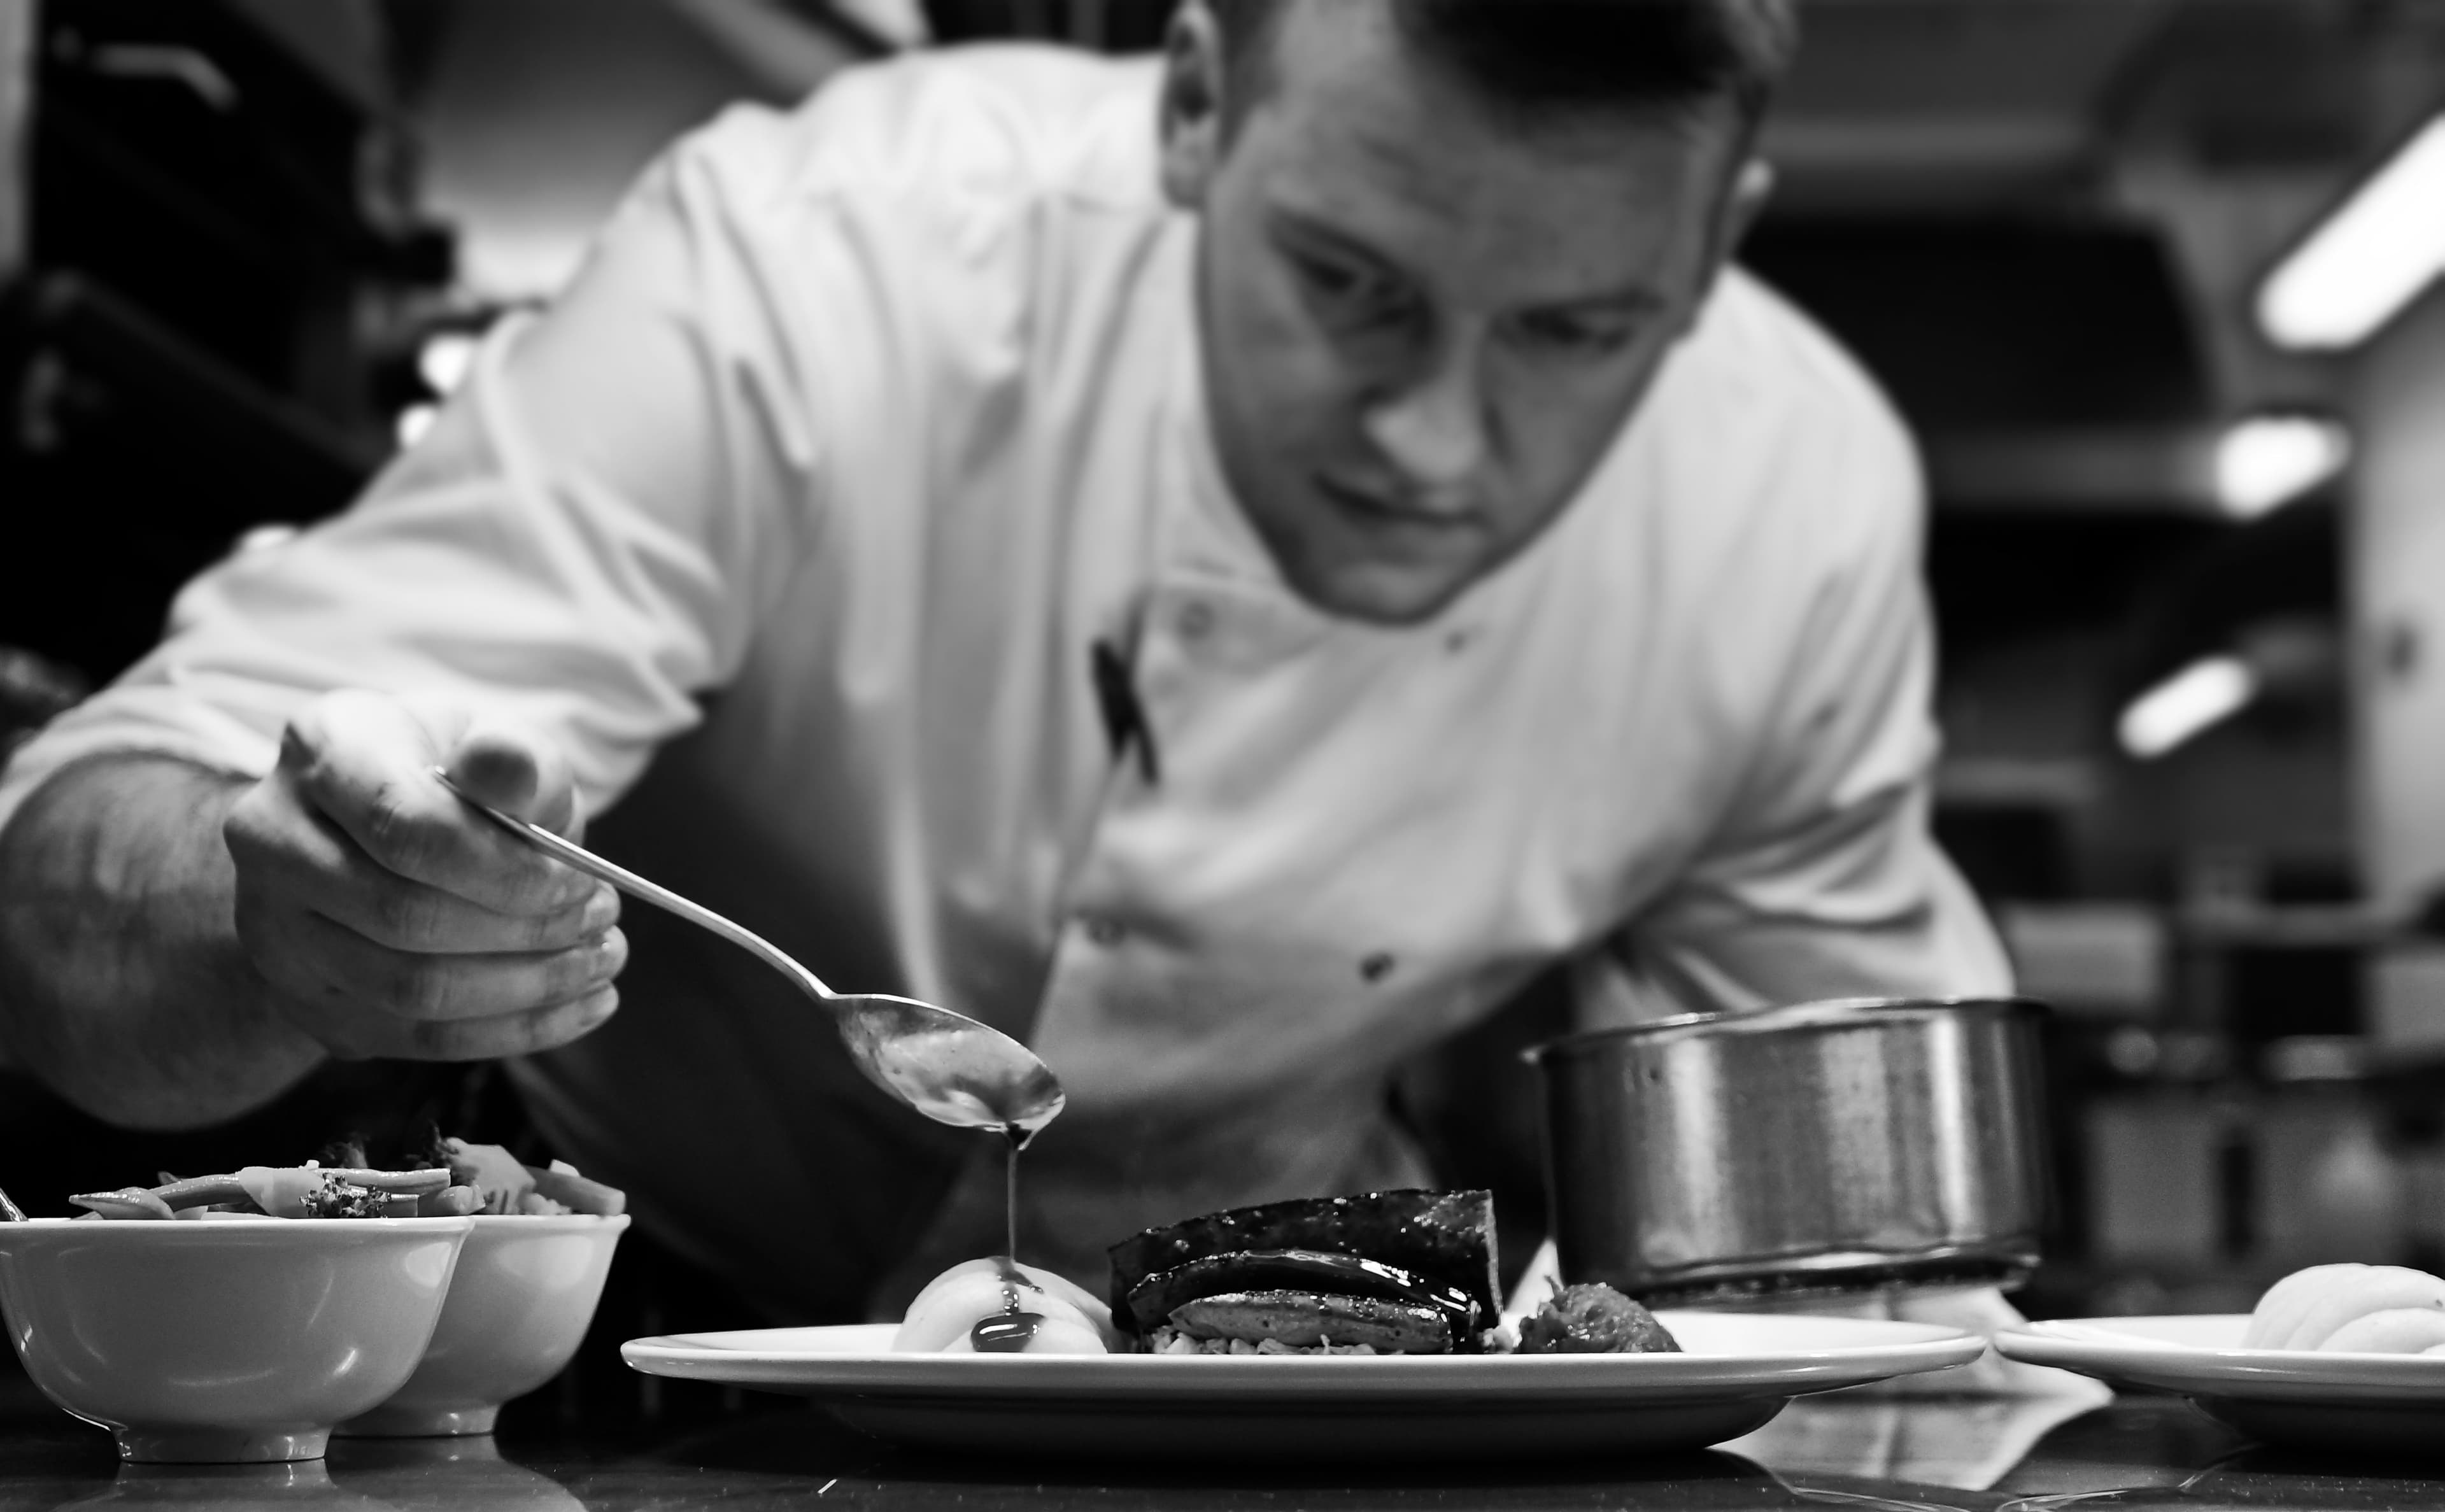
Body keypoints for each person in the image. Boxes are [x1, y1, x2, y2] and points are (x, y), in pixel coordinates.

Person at [0, 0, 2008, 1319]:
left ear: (1719, 237)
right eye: (1350, 285)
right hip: (645, 1327)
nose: (1436, 443)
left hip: (1312, 1357)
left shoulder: (1790, 501)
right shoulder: (831, 257)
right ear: (1204, 101)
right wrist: (299, 913)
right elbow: (70, 893)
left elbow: (1866, 1214)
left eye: (1581, 333)